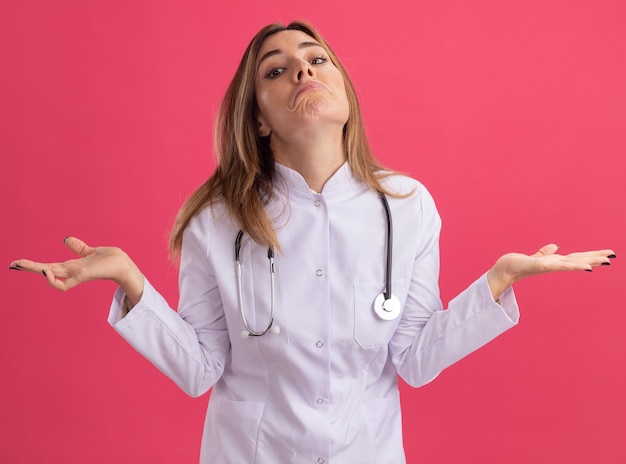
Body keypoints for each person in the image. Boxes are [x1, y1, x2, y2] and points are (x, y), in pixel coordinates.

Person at [9, 21, 615, 463]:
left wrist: (499, 281)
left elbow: (415, 360)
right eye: (276, 69)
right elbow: (199, 368)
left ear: (345, 95)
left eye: (316, 58)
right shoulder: (217, 220)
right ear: (260, 119)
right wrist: (128, 279)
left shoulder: (407, 206)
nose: (303, 70)